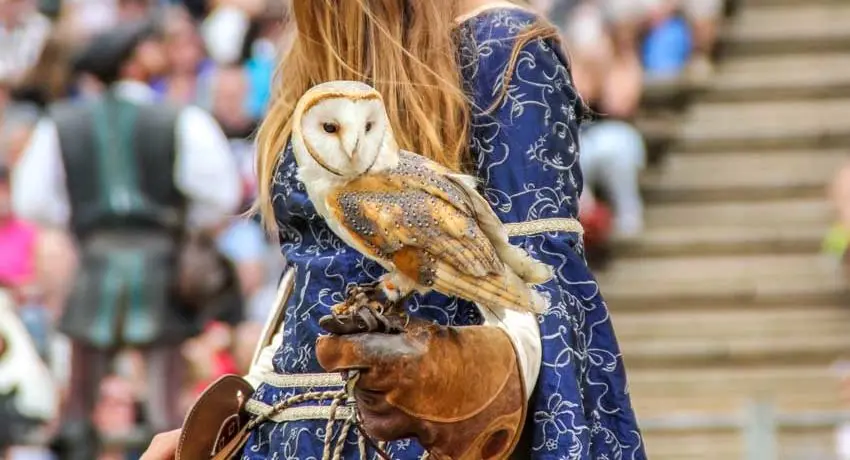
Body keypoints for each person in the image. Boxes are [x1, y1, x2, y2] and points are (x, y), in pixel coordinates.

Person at [144, 0, 645, 458]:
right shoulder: (308, 54)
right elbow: (308, 276)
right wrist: (238, 411)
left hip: (418, 436)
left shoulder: (501, 47)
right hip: (285, 432)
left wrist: (476, 382)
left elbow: (541, 282)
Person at [12, 18, 241, 460]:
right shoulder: (179, 117)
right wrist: (178, 223)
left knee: (81, 398)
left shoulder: (62, 122)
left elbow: (32, 200)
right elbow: (220, 195)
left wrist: (85, 223)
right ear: (131, 63)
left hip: (94, 264)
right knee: (164, 403)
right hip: (160, 267)